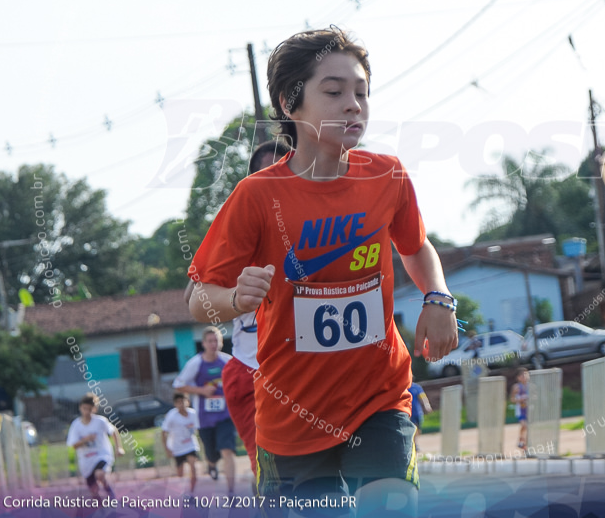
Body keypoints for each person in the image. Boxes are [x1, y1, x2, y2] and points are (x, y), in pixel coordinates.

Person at [187, 28, 458, 515]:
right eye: (333, 92)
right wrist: (233, 299)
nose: (353, 105)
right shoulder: (256, 196)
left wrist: (437, 298)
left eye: (361, 92)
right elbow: (197, 298)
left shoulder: (386, 175)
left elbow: (416, 248)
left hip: (379, 398)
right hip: (293, 416)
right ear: (291, 104)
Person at [181, 138, 292, 476]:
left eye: (283, 170)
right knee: (269, 468)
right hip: (249, 368)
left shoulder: (319, 226)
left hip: (305, 366)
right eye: (265, 174)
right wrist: (232, 291)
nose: (275, 180)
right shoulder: (241, 231)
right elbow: (194, 296)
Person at [172, 326, 236, 495]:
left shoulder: (227, 361)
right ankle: (212, 464)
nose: (213, 344)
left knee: (227, 451)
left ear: (221, 343)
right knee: (212, 453)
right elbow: (178, 385)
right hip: (204, 418)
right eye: (210, 341)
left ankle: (231, 491)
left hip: (225, 415)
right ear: (203, 344)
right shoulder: (196, 363)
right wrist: (201, 391)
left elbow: (239, 380)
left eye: (216, 340)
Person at [66, 393, 124, 500]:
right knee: (94, 491)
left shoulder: (100, 421)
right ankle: (100, 507)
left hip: (101, 454)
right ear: (80, 408)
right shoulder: (76, 425)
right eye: (84, 408)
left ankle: (111, 495)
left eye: (89, 409)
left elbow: (113, 431)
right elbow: (74, 445)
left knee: (100, 474)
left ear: (94, 409)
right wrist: (86, 439)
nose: (87, 412)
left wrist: (118, 447)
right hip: (86, 460)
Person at [161, 393, 201, 497]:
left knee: (193, 467)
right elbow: (163, 432)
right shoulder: (172, 416)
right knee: (180, 473)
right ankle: (182, 492)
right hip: (177, 447)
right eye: (178, 402)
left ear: (188, 402)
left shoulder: (193, 414)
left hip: (191, 445)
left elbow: (199, 428)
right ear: (175, 404)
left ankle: (192, 492)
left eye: (183, 401)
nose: (181, 404)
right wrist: (167, 449)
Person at [406, 380, 432, 452]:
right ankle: (414, 445)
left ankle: (414, 443)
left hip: (418, 412)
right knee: (414, 429)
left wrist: (427, 406)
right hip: (409, 413)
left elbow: (423, 398)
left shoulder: (416, 387)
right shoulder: (404, 388)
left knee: (418, 430)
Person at [510, 368, 530, 451]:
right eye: (522, 376)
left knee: (527, 427)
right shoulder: (516, 387)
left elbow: (535, 396)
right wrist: (519, 400)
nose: (524, 377)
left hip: (529, 409)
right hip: (520, 410)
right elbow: (512, 399)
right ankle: (522, 441)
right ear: (518, 377)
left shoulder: (530, 386)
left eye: (526, 375)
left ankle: (522, 442)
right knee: (524, 425)